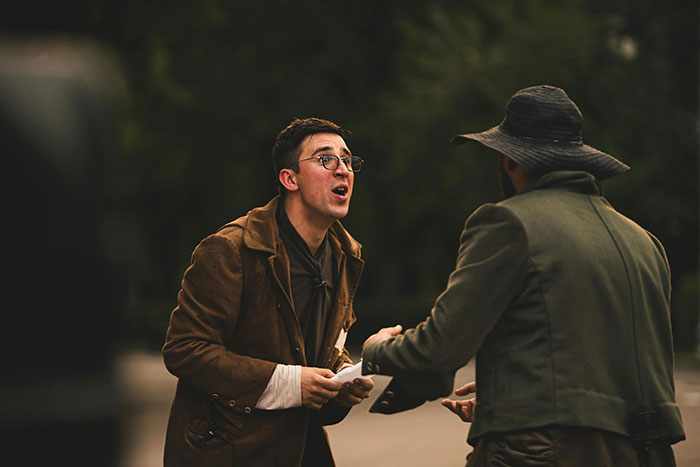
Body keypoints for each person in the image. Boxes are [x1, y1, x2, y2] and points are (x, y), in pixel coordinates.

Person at [361, 85, 685, 466]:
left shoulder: (508, 222)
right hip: (648, 453)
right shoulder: (645, 242)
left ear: (509, 159)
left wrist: (374, 352)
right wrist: (514, 393)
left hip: (544, 450)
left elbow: (439, 349)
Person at [162, 117, 373, 467]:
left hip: (304, 450)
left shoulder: (346, 255)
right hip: (227, 452)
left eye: (348, 161)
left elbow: (315, 356)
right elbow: (184, 350)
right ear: (289, 178)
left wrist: (342, 385)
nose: (343, 170)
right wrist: (290, 383)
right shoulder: (230, 248)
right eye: (326, 159)